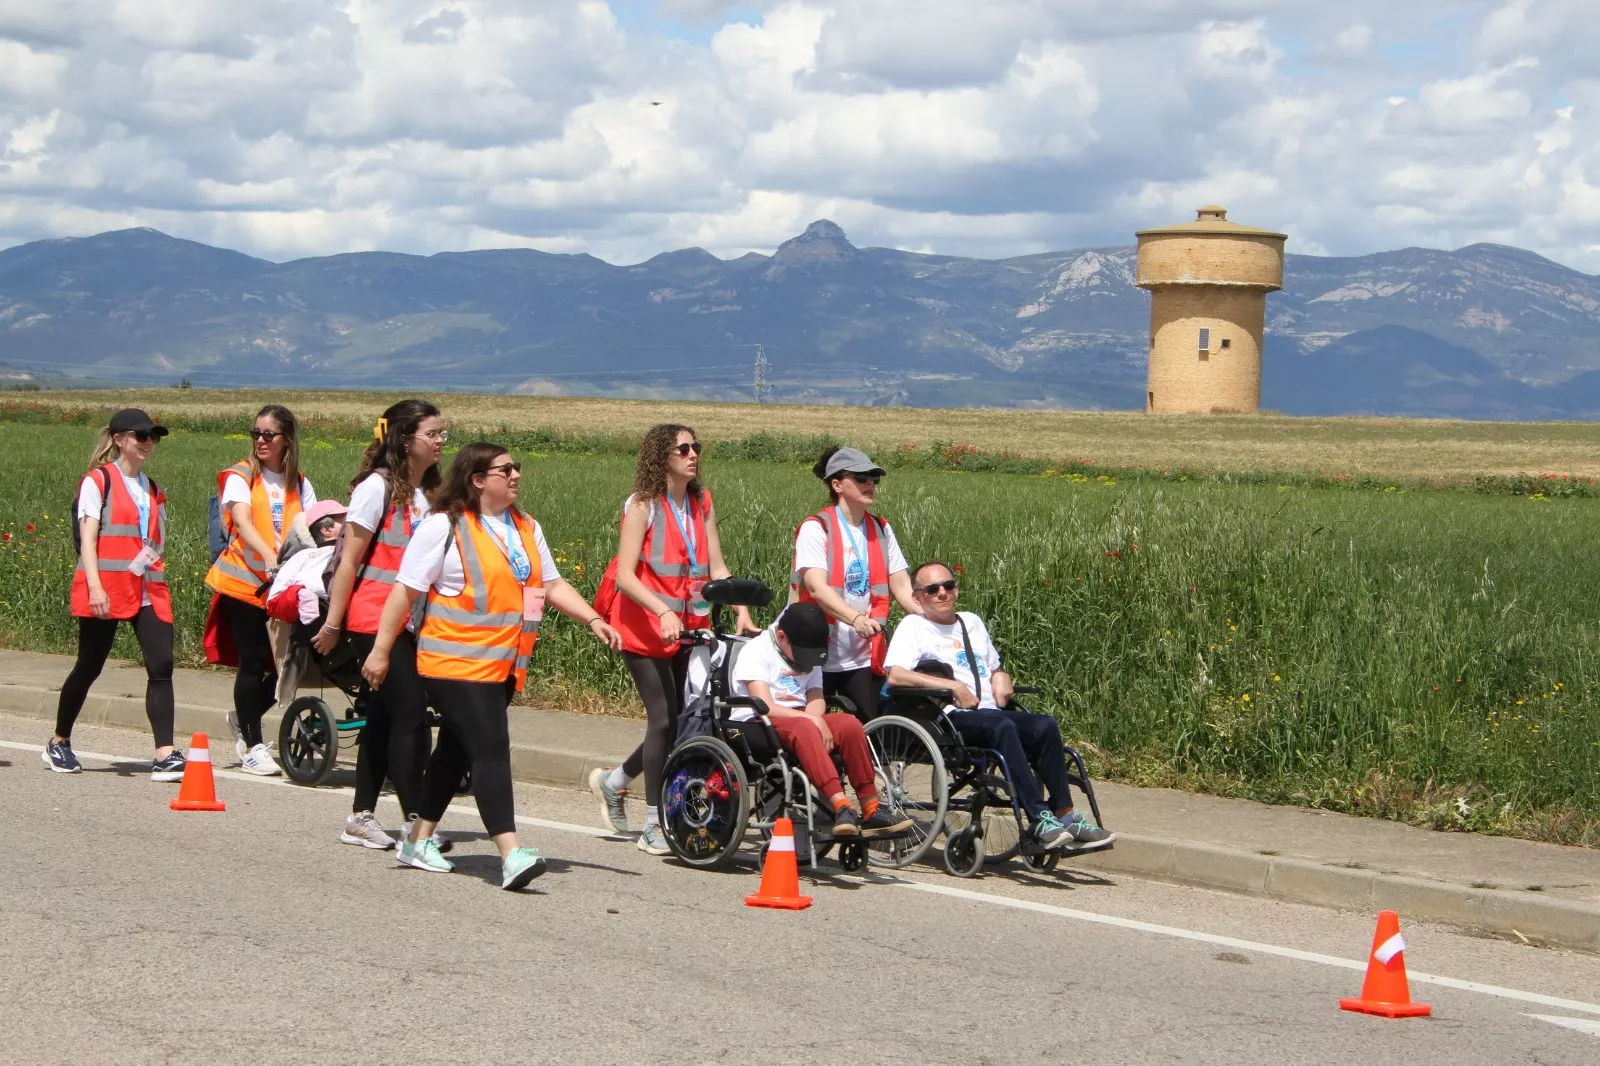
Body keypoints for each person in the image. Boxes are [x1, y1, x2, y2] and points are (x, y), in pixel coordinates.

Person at [362, 442, 623, 891]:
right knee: (491, 750)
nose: (517, 475)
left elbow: (552, 583)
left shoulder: (525, 527)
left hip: (501, 666)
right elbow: (403, 593)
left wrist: (594, 619)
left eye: (517, 468)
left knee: (454, 753)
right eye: (506, 469)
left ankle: (417, 840)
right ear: (478, 479)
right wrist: (381, 650)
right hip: (452, 663)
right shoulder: (443, 527)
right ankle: (510, 852)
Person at [588, 423, 757, 853]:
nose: (693, 453)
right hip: (642, 626)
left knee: (681, 717)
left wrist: (740, 606)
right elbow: (626, 575)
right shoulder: (642, 505)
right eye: (683, 448)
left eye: (696, 446)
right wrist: (662, 609)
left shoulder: (701, 501)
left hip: (688, 626)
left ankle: (614, 781)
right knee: (662, 717)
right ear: (661, 456)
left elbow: (716, 565)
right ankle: (652, 823)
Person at [884, 561, 1115, 852]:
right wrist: (953, 686)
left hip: (991, 711)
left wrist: (1001, 674)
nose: (943, 593)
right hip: (951, 717)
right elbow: (895, 675)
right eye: (932, 589)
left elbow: (992, 665)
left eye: (949, 586)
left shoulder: (972, 621)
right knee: (1003, 727)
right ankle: (1039, 819)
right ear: (917, 597)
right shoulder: (914, 626)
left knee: (1045, 725)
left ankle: (1064, 814)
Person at [315, 399, 445, 850]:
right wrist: (334, 623)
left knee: (386, 719)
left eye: (443, 434)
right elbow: (348, 560)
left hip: (411, 621)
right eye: (433, 434)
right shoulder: (376, 488)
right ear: (405, 439)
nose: (441, 442)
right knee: (411, 716)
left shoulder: (430, 494)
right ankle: (415, 822)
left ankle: (360, 817)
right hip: (372, 616)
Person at [44, 409, 185, 782]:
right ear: (120, 439)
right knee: (89, 666)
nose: (149, 442)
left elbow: (156, 539)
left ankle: (164, 754)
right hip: (107, 588)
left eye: (153, 436)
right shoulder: (98, 481)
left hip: (147, 589)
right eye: (141, 436)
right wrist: (94, 588)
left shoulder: (153, 488)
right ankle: (59, 741)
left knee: (162, 665)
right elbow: (88, 539)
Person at [731, 603, 911, 838]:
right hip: (757, 721)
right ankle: (841, 806)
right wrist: (812, 721)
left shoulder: (811, 654)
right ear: (782, 636)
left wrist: (816, 719)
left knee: (849, 724)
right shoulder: (756, 651)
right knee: (805, 727)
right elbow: (766, 706)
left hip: (799, 718)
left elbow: (815, 697)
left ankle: (871, 807)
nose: (808, 661)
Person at [204, 404, 316, 777]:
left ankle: (243, 717)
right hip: (245, 583)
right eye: (256, 433)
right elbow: (242, 521)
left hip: (283, 585)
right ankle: (252, 746)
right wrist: (270, 555)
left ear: (287, 439)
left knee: (291, 665)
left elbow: (310, 528)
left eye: (269, 434)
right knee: (252, 662)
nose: (261, 441)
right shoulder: (241, 475)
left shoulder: (298, 482)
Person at [789, 445, 921, 721]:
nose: (870, 483)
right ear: (837, 484)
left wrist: (932, 621)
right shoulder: (816, 528)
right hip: (816, 653)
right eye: (861, 478)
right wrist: (856, 619)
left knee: (872, 733)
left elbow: (901, 587)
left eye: (874, 478)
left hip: (864, 656)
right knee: (813, 731)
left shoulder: (881, 529)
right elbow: (816, 588)